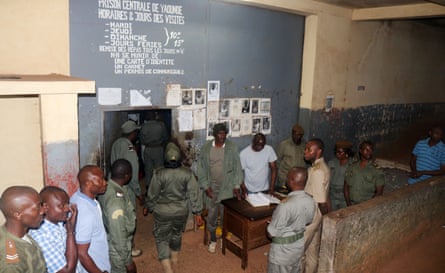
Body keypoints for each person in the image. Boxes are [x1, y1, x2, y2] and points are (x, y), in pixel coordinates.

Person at [143, 143, 203, 273]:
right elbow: (195, 193)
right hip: (181, 211)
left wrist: (148, 206)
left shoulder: (158, 173)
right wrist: (198, 212)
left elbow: (152, 194)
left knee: (162, 237)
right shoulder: (187, 173)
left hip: (162, 212)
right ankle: (175, 258)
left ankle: (167, 267)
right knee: (176, 233)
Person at [197, 122, 243, 253]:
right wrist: (206, 186)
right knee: (211, 214)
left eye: (224, 133)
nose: (223, 136)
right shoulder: (206, 148)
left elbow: (237, 167)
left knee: (225, 214)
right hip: (211, 187)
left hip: (227, 187)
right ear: (214, 134)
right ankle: (212, 239)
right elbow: (200, 169)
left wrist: (236, 185)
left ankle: (224, 236)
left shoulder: (232, 147)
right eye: (220, 133)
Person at [267, 167, 316, 273]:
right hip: (297, 248)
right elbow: (308, 221)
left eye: (288, 177)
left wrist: (270, 224)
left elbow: (271, 233)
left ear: (292, 181)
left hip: (282, 253)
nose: (286, 179)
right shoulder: (310, 200)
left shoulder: (286, 205)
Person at [110, 120, 143, 257]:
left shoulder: (116, 143)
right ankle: (129, 249)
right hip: (127, 187)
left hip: (115, 183)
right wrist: (139, 192)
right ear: (133, 133)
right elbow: (133, 173)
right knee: (128, 217)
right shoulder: (130, 148)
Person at [98, 159, 137, 273]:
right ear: (127, 176)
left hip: (115, 240)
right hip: (118, 249)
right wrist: (128, 262)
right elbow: (118, 235)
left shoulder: (108, 187)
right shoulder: (116, 201)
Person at [70, 165, 110, 273]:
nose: (105, 182)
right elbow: (81, 253)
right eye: (100, 180)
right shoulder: (86, 213)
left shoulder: (78, 196)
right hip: (94, 266)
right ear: (88, 184)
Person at [28, 186, 78, 273]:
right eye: (61, 206)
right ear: (45, 207)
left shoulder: (59, 223)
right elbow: (67, 271)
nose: (67, 209)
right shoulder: (41, 235)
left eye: (67, 204)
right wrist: (70, 232)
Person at [0, 186, 46, 273]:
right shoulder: (11, 259)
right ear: (18, 214)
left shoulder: (20, 234)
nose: (43, 211)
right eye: (37, 207)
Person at [303, 138, 330, 273]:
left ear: (318, 152)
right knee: (312, 251)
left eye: (309, 149)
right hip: (316, 215)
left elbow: (322, 201)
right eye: (306, 149)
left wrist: (322, 218)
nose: (305, 152)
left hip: (312, 215)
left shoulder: (317, 171)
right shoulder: (318, 167)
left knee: (298, 250)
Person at [344, 140, 385, 205]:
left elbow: (379, 193)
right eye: (366, 149)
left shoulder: (377, 170)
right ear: (360, 151)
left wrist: (367, 206)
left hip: (366, 206)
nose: (369, 152)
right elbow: (346, 187)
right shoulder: (352, 167)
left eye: (371, 150)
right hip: (351, 205)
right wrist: (349, 204)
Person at [140, 112, 169, 191]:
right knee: (160, 169)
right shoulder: (161, 125)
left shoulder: (144, 126)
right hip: (158, 149)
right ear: (155, 116)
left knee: (148, 169)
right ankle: (161, 188)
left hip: (148, 149)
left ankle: (148, 188)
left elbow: (141, 140)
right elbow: (165, 138)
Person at [277, 124, 307, 190]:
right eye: (296, 135)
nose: (298, 137)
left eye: (300, 135)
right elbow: (278, 161)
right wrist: (280, 177)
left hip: (299, 180)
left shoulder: (305, 145)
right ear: (292, 134)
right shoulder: (284, 145)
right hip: (285, 178)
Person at [328, 141, 354, 210]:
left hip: (344, 197)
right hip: (332, 196)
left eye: (340, 152)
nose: (337, 154)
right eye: (336, 151)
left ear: (347, 153)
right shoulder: (331, 163)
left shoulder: (352, 165)